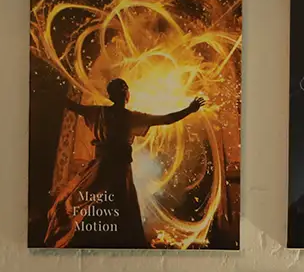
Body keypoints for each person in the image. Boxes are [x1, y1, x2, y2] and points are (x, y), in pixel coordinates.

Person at [48, 79, 203, 247]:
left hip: (100, 168)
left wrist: (54, 90)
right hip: (119, 170)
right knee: (122, 208)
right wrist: (190, 109)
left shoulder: (97, 113)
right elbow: (165, 119)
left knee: (90, 203)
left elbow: (72, 106)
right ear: (126, 94)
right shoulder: (131, 117)